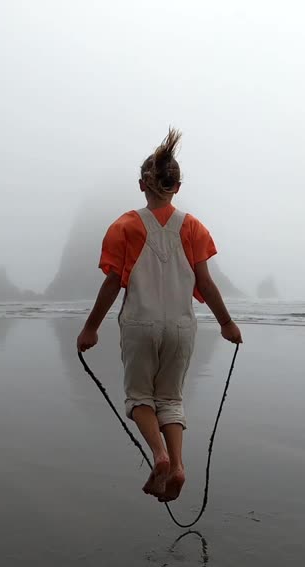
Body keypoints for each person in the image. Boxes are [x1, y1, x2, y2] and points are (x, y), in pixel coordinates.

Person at [77, 128, 242, 503]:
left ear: (142, 185)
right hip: (182, 328)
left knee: (139, 398)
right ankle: (179, 465)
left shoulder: (125, 226)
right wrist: (226, 323)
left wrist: (90, 328)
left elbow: (113, 283)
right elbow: (207, 283)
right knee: (171, 398)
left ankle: (160, 455)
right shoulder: (194, 228)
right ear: (177, 187)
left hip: (139, 325)